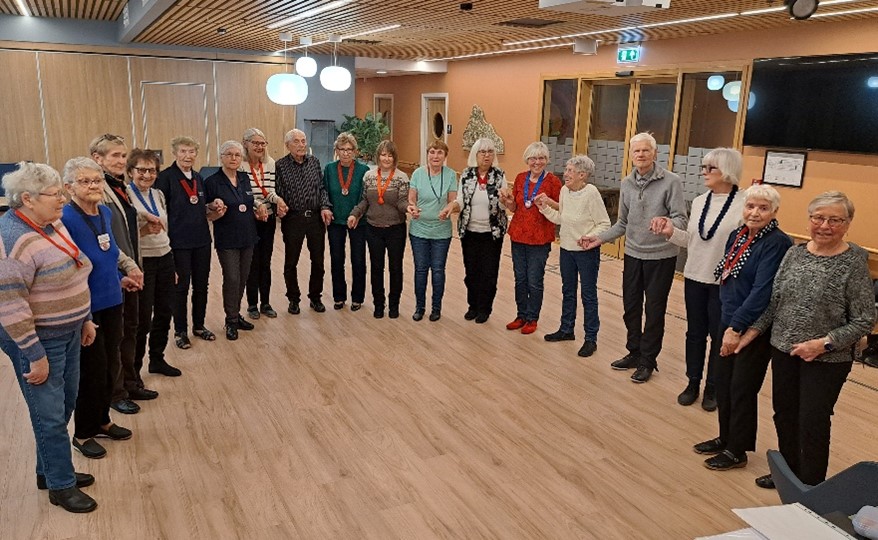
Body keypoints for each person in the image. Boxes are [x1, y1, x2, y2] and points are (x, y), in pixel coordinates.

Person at [743, 191, 876, 488]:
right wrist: (749, 332)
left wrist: (823, 343)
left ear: (847, 223)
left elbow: (865, 319)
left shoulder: (853, 262)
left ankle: (812, 484)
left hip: (828, 358)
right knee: (785, 414)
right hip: (784, 350)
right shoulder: (795, 253)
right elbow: (775, 302)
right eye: (818, 218)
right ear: (809, 220)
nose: (825, 225)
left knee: (813, 420)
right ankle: (789, 475)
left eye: (834, 220)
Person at [0, 162, 98, 513]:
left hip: (68, 329)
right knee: (50, 414)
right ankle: (60, 485)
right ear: (26, 199)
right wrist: (34, 354)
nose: (62, 199)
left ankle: (50, 470)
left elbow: (76, 269)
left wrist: (84, 318)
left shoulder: (51, 224)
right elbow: (10, 306)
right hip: (38, 339)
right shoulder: (12, 239)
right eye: (55, 194)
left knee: (66, 401)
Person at [693, 184, 792, 473]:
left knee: (741, 387)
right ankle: (726, 437)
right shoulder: (737, 235)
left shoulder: (776, 243)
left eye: (763, 208)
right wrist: (726, 320)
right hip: (729, 318)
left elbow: (763, 291)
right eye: (751, 206)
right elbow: (727, 277)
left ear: (774, 212)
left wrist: (736, 327)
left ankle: (738, 449)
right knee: (723, 382)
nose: (755, 212)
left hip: (752, 328)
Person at [580, 132, 688, 383]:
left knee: (654, 310)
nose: (640, 155)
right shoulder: (627, 183)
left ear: (655, 153)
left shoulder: (671, 182)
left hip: (661, 257)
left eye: (645, 151)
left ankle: (648, 361)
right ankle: (634, 352)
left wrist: (667, 222)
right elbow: (622, 223)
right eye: (636, 151)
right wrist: (600, 238)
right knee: (630, 307)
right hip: (633, 254)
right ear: (631, 155)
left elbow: (682, 219)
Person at [651, 148, 745, 410]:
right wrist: (671, 232)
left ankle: (713, 387)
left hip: (724, 285)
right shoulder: (701, 200)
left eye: (709, 168)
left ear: (727, 170)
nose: (703, 172)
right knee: (694, 333)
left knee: (718, 336)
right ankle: (693, 381)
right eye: (703, 167)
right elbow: (694, 241)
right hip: (694, 276)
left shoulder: (745, 203)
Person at [61, 157, 140, 461]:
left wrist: (124, 274)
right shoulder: (66, 219)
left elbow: (110, 251)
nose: (93, 186)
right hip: (86, 308)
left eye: (97, 180)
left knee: (110, 367)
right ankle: (82, 433)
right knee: (90, 372)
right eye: (85, 181)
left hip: (112, 299)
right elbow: (73, 266)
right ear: (69, 187)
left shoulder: (104, 212)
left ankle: (102, 420)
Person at [89, 133, 150, 415]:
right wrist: (124, 267)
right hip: (113, 274)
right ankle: (116, 392)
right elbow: (103, 238)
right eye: (114, 155)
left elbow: (123, 227)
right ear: (97, 159)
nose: (121, 161)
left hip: (132, 269)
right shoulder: (97, 192)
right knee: (116, 336)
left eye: (123, 156)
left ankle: (131, 381)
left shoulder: (121, 187)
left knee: (133, 329)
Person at [536, 155, 610, 357]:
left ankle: (590, 338)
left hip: (587, 253)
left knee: (588, 295)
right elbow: (562, 219)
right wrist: (544, 209)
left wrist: (590, 236)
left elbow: (604, 224)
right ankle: (566, 329)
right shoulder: (564, 191)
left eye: (569, 170)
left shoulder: (591, 193)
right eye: (566, 169)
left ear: (582, 175)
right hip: (566, 250)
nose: (565, 174)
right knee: (568, 291)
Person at [156, 136, 221, 348]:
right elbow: (160, 212)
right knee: (181, 288)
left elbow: (199, 206)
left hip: (202, 240)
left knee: (202, 285)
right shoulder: (165, 178)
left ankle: (199, 326)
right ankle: (180, 331)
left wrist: (213, 206)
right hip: (178, 242)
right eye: (183, 151)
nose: (187, 156)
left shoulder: (198, 178)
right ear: (175, 153)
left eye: (191, 151)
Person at [125, 149, 181, 378]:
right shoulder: (126, 196)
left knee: (165, 312)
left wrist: (173, 265)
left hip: (165, 257)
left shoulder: (158, 195)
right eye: (141, 170)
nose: (147, 175)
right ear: (130, 172)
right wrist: (143, 230)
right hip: (142, 261)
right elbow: (125, 236)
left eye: (152, 170)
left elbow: (165, 232)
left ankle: (157, 359)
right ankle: (134, 370)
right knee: (142, 319)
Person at [499, 141, 562, 335]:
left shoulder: (553, 182)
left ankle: (532, 318)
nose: (537, 162)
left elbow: (562, 208)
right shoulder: (520, 178)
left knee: (534, 280)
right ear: (527, 160)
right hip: (518, 235)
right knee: (520, 279)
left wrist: (549, 201)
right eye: (533, 158)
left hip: (540, 239)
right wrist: (509, 203)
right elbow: (516, 207)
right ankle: (521, 315)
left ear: (546, 160)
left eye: (541, 158)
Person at [348, 140, 409, 319]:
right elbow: (365, 201)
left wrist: (409, 209)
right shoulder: (369, 176)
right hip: (373, 228)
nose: (386, 158)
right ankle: (379, 304)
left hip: (396, 229)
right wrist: (354, 214)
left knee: (395, 268)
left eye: (390, 155)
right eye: (383, 154)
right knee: (376, 267)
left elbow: (402, 201)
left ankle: (394, 305)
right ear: (378, 156)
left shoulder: (401, 177)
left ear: (394, 157)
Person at [275, 128, 332, 315]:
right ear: (287, 145)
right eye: (296, 141)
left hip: (315, 219)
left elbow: (322, 188)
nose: (301, 145)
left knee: (318, 261)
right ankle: (293, 298)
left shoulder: (314, 162)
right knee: (291, 262)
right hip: (293, 219)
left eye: (303, 140)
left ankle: (315, 297)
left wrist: (325, 206)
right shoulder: (280, 166)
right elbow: (278, 192)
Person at [204, 141, 258, 341]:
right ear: (221, 157)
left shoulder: (244, 178)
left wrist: (258, 207)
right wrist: (213, 206)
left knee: (242, 278)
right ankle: (230, 320)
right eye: (229, 154)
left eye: (237, 155)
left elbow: (248, 202)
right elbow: (206, 211)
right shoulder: (212, 181)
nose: (234, 158)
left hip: (248, 236)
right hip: (227, 238)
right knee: (232, 278)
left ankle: (236, 315)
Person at [452, 138, 507, 324]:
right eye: (483, 152)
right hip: (469, 232)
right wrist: (451, 207)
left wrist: (505, 200)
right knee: (472, 272)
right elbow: (460, 200)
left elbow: (503, 204)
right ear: (475, 154)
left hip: (492, 233)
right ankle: (472, 305)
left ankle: (485, 308)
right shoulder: (467, 175)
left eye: (490, 152)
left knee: (489, 273)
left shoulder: (500, 175)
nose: (487, 155)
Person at [239, 128, 287, 320]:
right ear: (245, 143)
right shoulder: (240, 165)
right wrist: (258, 207)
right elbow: (244, 193)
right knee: (252, 262)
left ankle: (265, 303)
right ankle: (252, 305)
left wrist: (279, 201)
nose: (259, 147)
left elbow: (270, 191)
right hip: (249, 218)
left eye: (262, 143)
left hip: (267, 219)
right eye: (255, 143)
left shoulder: (270, 164)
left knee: (266, 262)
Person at [407, 140, 458, 321]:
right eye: (432, 152)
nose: (435, 156)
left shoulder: (451, 175)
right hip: (419, 229)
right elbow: (411, 199)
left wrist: (449, 209)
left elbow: (453, 201)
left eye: (439, 153)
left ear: (445, 156)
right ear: (427, 154)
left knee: (438, 270)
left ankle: (436, 308)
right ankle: (419, 307)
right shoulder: (418, 174)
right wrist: (412, 208)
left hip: (441, 231)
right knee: (421, 270)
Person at [323, 132, 369, 311]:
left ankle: (357, 297)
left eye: (349, 150)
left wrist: (357, 214)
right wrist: (326, 208)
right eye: (342, 149)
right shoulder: (329, 168)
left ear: (355, 152)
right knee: (337, 259)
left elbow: (365, 196)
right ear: (336, 151)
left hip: (358, 220)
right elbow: (324, 191)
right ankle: (339, 296)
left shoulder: (363, 170)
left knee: (358, 259)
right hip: (335, 221)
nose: (346, 153)